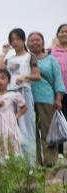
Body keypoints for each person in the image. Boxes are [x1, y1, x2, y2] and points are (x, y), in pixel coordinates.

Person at [0, 28, 41, 166]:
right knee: (12, 129)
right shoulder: (9, 59)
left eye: (17, 39)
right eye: (12, 40)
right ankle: (17, 164)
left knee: (27, 128)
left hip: (24, 92)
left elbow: (37, 76)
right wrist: (3, 52)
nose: (15, 42)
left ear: (23, 40)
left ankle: (31, 165)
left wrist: (25, 76)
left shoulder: (29, 56)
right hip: (10, 94)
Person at [27, 31, 66, 167]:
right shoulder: (25, 59)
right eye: (31, 40)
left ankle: (50, 162)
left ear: (43, 42)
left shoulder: (51, 59)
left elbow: (58, 81)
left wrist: (58, 99)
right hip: (27, 101)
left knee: (48, 132)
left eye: (37, 40)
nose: (34, 42)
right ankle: (35, 162)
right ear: (27, 43)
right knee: (31, 133)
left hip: (46, 98)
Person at [0, 69, 28, 164]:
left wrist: (15, 117)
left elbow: (24, 107)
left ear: (8, 81)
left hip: (9, 126)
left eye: (3, 78)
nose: (0, 81)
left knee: (10, 145)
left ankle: (11, 167)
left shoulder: (13, 95)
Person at [51, 24, 67, 157]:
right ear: (57, 35)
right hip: (58, 91)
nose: (64, 34)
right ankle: (60, 152)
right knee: (59, 120)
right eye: (62, 31)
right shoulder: (51, 52)